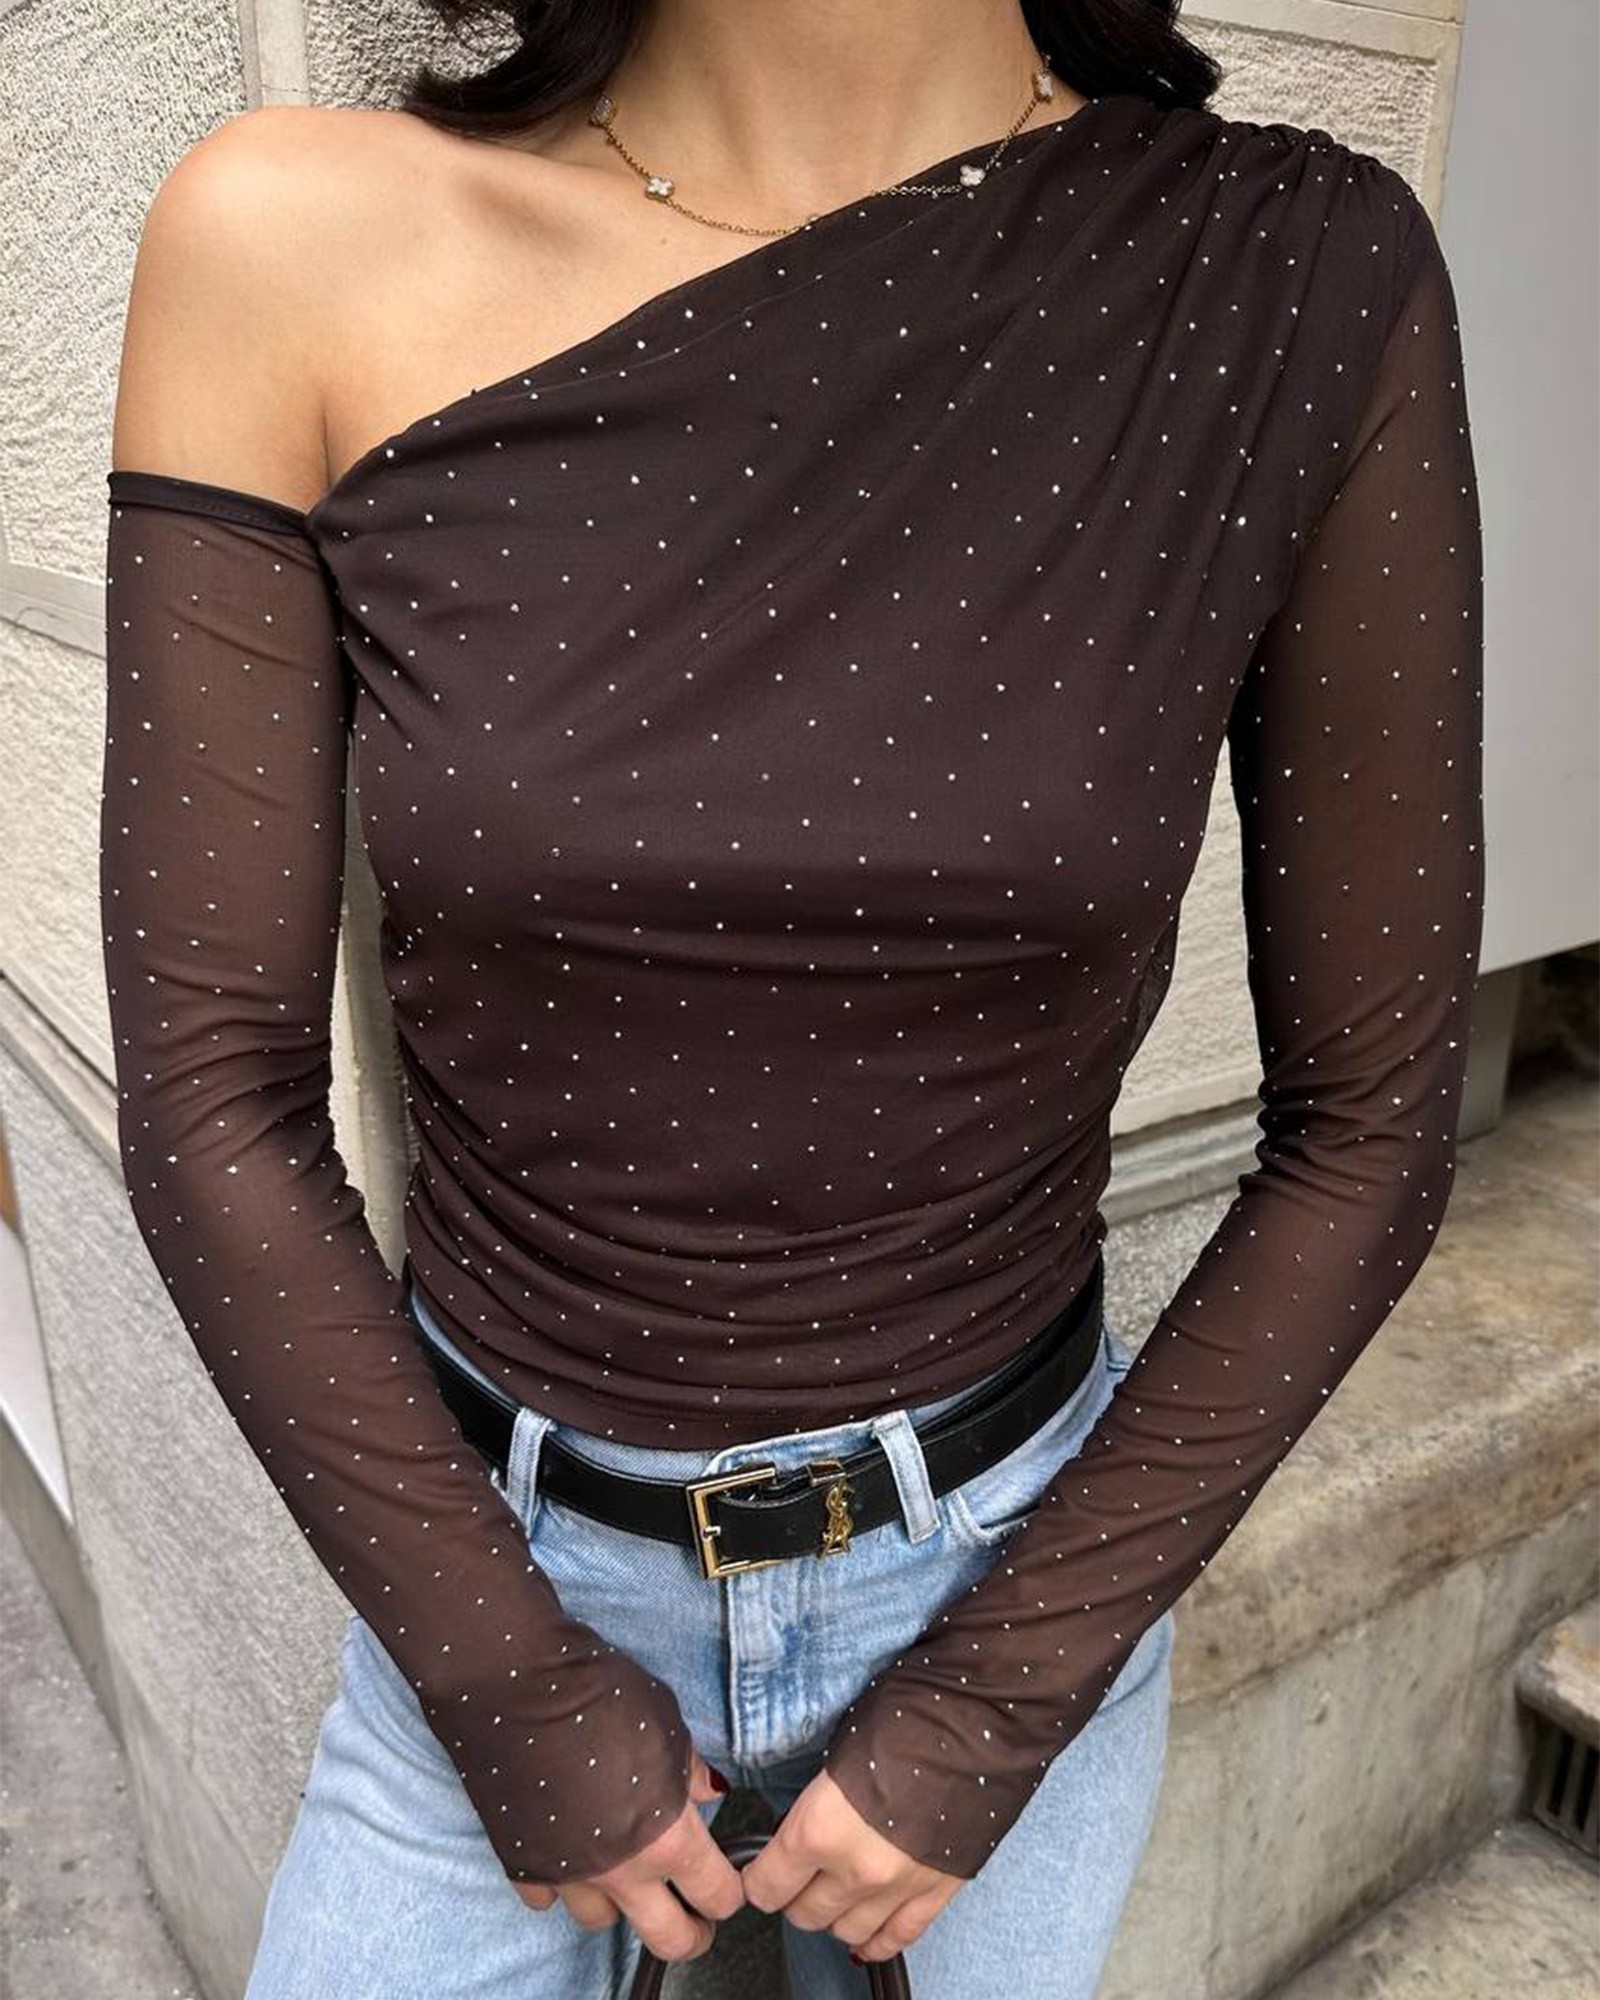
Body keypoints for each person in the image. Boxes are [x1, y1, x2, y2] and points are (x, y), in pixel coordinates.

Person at [97, 1, 1485, 1995]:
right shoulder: (293, 240)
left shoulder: (1289, 276)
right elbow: (213, 1093)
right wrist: (506, 1688)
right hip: (485, 1562)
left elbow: (1370, 1127)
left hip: (1014, 1578)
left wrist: (994, 1706)